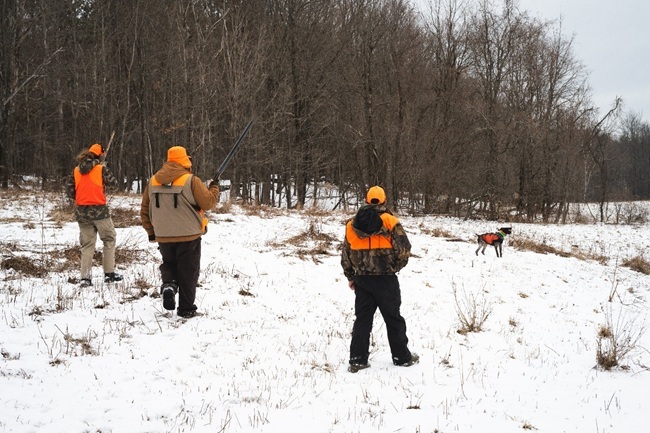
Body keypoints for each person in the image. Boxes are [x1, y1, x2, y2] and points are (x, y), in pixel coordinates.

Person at [341, 185, 419, 373]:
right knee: (393, 319)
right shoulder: (391, 222)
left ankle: (358, 360)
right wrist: (393, 267)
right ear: (384, 201)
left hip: (362, 280)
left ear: (367, 200)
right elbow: (404, 250)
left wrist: (351, 276)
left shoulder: (351, 224)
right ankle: (402, 357)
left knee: (363, 320)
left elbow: (346, 254)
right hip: (386, 280)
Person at [140, 146, 219, 318]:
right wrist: (214, 187)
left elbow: (144, 210)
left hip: (163, 235)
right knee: (188, 271)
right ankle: (186, 309)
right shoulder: (191, 180)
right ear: (185, 160)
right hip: (189, 235)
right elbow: (208, 203)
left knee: (169, 264)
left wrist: (152, 232)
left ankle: (169, 284)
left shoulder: (153, 181)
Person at [66, 143, 123, 287]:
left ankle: (85, 278)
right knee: (109, 239)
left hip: (82, 212)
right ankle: (109, 274)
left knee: (87, 245)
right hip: (100, 211)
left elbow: (70, 192)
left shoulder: (76, 170)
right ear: (100, 155)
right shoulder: (101, 169)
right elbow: (114, 184)